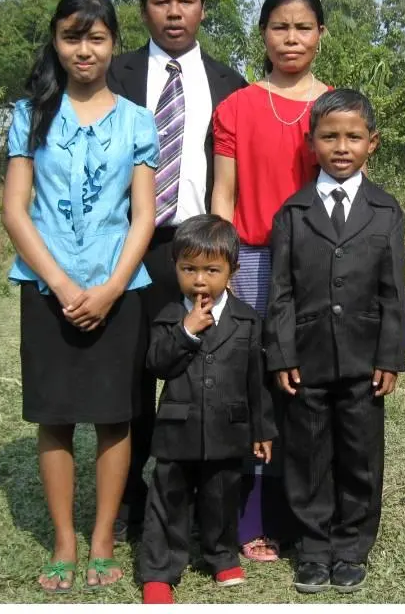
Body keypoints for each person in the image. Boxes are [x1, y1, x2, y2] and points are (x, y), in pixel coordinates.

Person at [2, 0, 158, 592]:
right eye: (72, 37)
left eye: (96, 38)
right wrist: (63, 284)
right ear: (56, 41)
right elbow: (16, 212)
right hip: (47, 289)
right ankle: (64, 541)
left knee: (116, 417)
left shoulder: (137, 120)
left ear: (114, 43)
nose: (84, 50)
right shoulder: (30, 115)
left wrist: (113, 288)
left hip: (119, 290)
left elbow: (143, 215)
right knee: (56, 417)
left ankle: (103, 538)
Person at [107, 0, 248, 542]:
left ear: (203, 9)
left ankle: (197, 497)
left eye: (185, 1)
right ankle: (129, 499)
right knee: (130, 375)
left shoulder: (230, 84)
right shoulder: (114, 74)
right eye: (161, 2)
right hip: (126, 245)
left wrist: (223, 258)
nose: (174, 12)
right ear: (144, 10)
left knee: (198, 374)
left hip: (197, 249)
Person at [265, 89, 405, 594]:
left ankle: (351, 546)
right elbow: (280, 292)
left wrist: (390, 354)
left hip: (364, 360)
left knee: (360, 454)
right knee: (307, 453)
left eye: (353, 137)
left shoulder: (385, 211)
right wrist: (281, 352)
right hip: (307, 360)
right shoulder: (293, 212)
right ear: (311, 143)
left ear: (373, 143)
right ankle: (313, 546)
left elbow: (394, 291)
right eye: (329, 137)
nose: (341, 147)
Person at [211, 0, 330, 562]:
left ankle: (302, 515)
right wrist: (221, 267)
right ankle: (250, 516)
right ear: (263, 34)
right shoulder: (235, 107)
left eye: (303, 27)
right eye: (280, 27)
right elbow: (223, 195)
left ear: (320, 34)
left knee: (304, 388)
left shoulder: (336, 108)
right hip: (252, 262)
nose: (291, 38)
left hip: (316, 264)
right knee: (253, 387)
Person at [139, 215, 277, 604]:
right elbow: (157, 364)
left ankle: (221, 556)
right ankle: (159, 571)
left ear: (232, 270)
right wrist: (186, 331)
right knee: (169, 501)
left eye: (211, 270)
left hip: (227, 429)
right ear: (175, 267)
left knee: (222, 498)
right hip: (177, 431)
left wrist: (262, 430)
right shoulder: (169, 316)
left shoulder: (247, 320)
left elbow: (256, 381)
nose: (200, 280)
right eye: (189, 269)